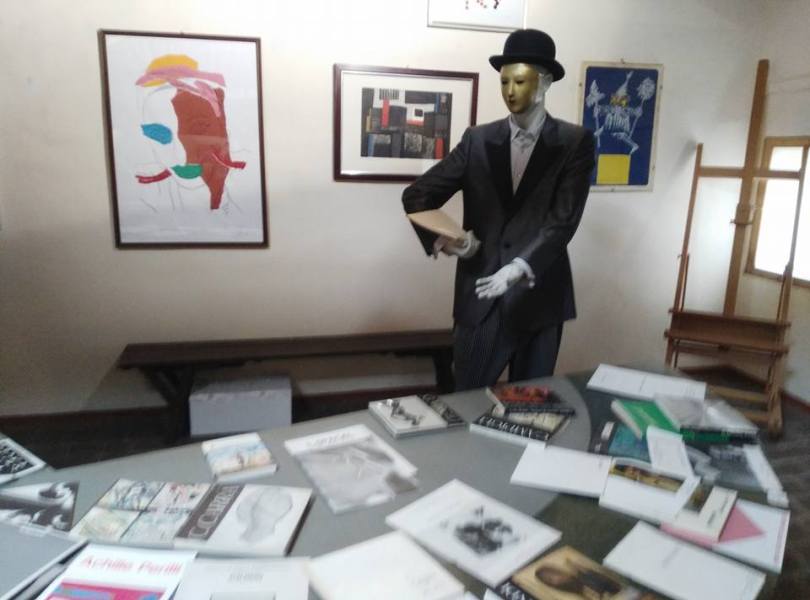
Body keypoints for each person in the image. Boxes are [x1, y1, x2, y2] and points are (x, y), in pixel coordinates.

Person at [402, 29, 595, 391]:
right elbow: (417, 196)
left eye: (520, 80)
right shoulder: (477, 140)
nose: (510, 90)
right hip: (481, 295)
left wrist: (518, 268)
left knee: (530, 405)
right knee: (466, 399)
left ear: (545, 82)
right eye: (504, 81)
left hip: (540, 298)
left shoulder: (574, 142)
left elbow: (563, 221)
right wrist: (450, 241)